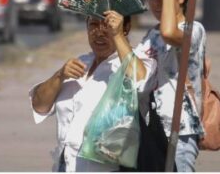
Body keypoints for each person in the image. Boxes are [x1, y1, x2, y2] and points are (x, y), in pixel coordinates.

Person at [29, 11, 155, 172]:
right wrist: (59, 76)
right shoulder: (81, 63)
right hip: (65, 165)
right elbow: (39, 105)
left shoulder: (136, 63)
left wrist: (117, 35)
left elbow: (141, 82)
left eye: (108, 26)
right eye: (94, 25)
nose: (100, 33)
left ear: (126, 28)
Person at [135, 0, 206, 172]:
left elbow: (170, 33)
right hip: (150, 129)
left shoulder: (193, 29)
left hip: (180, 130)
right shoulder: (151, 34)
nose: (156, 3)